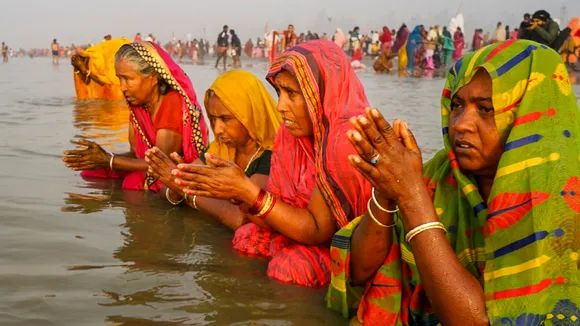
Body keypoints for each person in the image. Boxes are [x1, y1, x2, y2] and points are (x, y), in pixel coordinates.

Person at [327, 40, 580, 325]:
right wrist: (387, 192)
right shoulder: (439, 176)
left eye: (485, 109)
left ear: (531, 118)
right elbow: (359, 273)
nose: (460, 123)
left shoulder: (562, 199)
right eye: (457, 105)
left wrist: (411, 197)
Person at [173, 41, 371, 288]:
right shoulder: (290, 138)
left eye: (292, 94)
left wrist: (245, 191)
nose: (280, 107)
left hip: (347, 247)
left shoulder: (344, 139)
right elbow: (276, 210)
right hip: (300, 230)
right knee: (246, 238)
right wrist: (236, 193)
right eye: (279, 93)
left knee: (290, 268)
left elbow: (317, 230)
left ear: (322, 92)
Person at [62, 42, 209, 191]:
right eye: (120, 79)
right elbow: (135, 154)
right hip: (150, 165)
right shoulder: (138, 104)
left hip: (172, 170)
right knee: (92, 173)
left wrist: (109, 160)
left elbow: (161, 162)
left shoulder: (172, 102)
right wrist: (99, 158)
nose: (122, 87)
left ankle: (122, 204)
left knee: (132, 183)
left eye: (128, 79)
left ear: (153, 78)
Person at [147, 70, 281, 230]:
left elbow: (240, 219)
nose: (217, 130)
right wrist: (180, 180)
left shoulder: (272, 156)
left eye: (225, 119)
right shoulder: (219, 148)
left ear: (250, 114)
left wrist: (183, 189)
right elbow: (166, 192)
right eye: (213, 118)